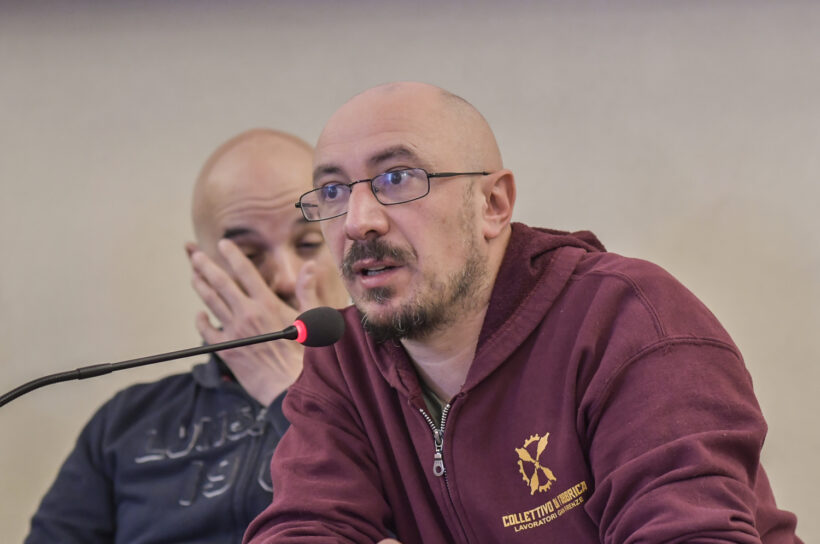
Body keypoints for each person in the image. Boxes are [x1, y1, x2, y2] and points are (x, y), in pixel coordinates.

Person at [243, 83, 802, 543]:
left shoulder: (628, 320)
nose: (357, 220)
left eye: (397, 179)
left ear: (493, 204)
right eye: (333, 192)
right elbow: (301, 529)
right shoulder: (341, 360)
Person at [24, 129, 348, 543]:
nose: (285, 278)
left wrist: (294, 388)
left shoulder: (398, 401)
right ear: (202, 267)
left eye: (307, 243)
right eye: (249, 256)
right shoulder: (126, 422)